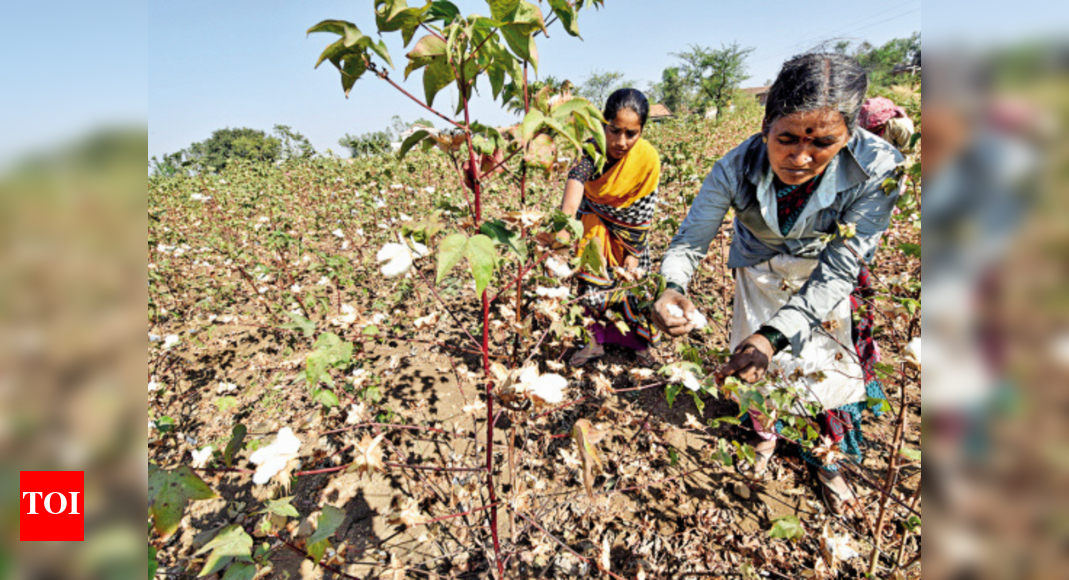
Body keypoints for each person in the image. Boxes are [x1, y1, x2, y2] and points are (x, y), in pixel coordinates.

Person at [652, 53, 904, 515]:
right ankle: (765, 438)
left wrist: (772, 337)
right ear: (766, 125)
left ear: (849, 137)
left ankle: (828, 461)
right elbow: (692, 238)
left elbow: (841, 267)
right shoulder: (734, 168)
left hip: (827, 274)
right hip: (759, 266)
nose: (801, 157)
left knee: (830, 370)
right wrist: (672, 286)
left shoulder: (881, 168)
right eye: (786, 138)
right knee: (755, 368)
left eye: (823, 143)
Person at [560, 88, 662, 367]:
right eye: (614, 130)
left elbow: (645, 210)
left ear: (641, 131)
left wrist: (635, 251)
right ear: (603, 124)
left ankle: (639, 344)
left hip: (632, 237)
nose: (621, 141)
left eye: (631, 134)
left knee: (633, 286)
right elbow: (576, 182)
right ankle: (593, 343)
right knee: (592, 288)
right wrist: (563, 229)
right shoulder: (591, 151)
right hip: (595, 230)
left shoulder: (647, 159)